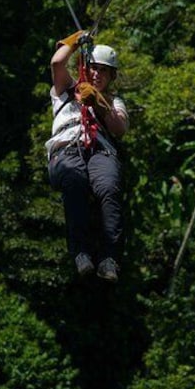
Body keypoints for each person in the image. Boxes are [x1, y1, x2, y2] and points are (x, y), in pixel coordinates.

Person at [45, 30, 129, 281]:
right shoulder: (65, 89)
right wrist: (74, 40)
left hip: (100, 150)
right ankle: (80, 252)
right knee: (75, 183)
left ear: (111, 76)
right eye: (93, 68)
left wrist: (98, 103)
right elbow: (57, 62)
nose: (97, 74)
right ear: (85, 68)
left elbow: (119, 128)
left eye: (103, 71)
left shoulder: (114, 102)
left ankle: (108, 257)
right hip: (67, 148)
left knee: (109, 187)